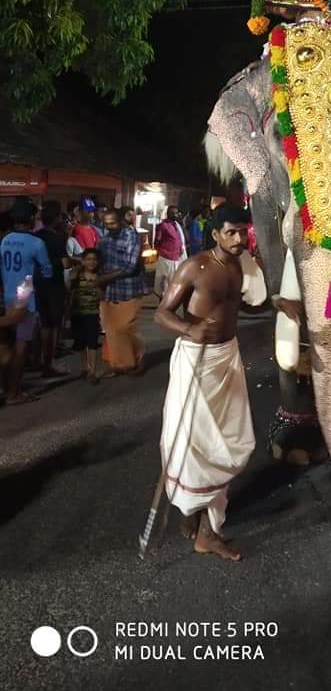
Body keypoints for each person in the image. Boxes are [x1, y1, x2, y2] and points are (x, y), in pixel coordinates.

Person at [154, 204, 268, 561]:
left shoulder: (240, 265)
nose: (238, 239)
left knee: (227, 438)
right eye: (231, 232)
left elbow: (239, 306)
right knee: (196, 443)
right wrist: (190, 328)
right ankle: (203, 528)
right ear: (216, 233)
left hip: (226, 358)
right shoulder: (196, 267)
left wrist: (275, 304)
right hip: (195, 362)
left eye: (242, 232)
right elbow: (161, 314)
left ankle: (200, 519)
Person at [0, 203, 53, 404]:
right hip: (25, 295)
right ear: (31, 218)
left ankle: (7, 388)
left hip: (7, 296)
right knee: (22, 347)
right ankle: (14, 393)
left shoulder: (6, 240)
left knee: (6, 346)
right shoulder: (36, 243)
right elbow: (47, 271)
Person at [98, 208, 145, 376]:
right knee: (111, 329)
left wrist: (105, 278)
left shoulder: (131, 237)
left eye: (113, 223)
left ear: (121, 221)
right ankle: (118, 364)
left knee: (126, 328)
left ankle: (137, 359)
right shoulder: (105, 239)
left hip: (129, 288)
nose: (110, 227)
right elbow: (98, 260)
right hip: (111, 291)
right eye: (107, 224)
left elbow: (130, 267)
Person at [36, 203, 72, 377]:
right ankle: (48, 363)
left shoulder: (35, 236)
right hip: (53, 286)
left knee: (42, 324)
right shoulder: (56, 238)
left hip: (37, 284)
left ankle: (40, 360)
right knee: (53, 325)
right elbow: (65, 264)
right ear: (57, 218)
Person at [70, 249, 102, 382]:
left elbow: (102, 296)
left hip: (93, 314)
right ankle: (85, 367)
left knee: (92, 342)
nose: (91, 262)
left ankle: (93, 371)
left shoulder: (100, 276)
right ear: (83, 261)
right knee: (80, 342)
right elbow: (70, 292)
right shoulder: (77, 275)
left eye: (94, 259)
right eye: (88, 259)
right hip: (77, 313)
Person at [153, 205, 188, 299]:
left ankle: (169, 306)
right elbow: (157, 242)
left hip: (177, 258)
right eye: (173, 213)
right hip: (166, 259)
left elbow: (184, 239)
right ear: (168, 214)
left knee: (173, 285)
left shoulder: (177, 225)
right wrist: (164, 252)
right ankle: (162, 307)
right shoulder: (163, 226)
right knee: (163, 286)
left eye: (177, 213)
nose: (176, 215)